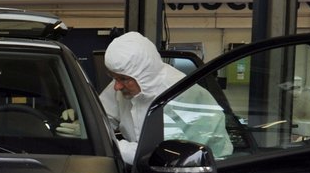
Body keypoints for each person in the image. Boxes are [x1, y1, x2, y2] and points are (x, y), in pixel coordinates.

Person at [99, 31, 232, 165]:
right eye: (114, 77)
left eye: (123, 79)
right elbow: (101, 118)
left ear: (143, 74)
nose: (116, 86)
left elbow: (163, 156)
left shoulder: (181, 95)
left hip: (201, 170)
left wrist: (108, 145)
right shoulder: (127, 82)